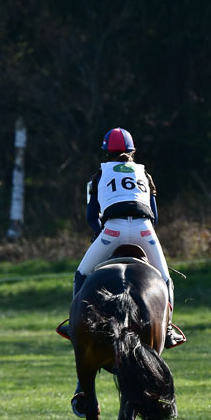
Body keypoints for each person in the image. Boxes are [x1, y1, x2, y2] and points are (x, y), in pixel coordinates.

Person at [57, 127, 185, 349]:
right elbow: (154, 215)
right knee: (164, 279)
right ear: (132, 151)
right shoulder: (144, 175)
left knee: (81, 273)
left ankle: (74, 323)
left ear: (106, 153)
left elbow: (91, 217)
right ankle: (168, 328)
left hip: (112, 230)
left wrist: (101, 236)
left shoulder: (99, 176)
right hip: (144, 230)